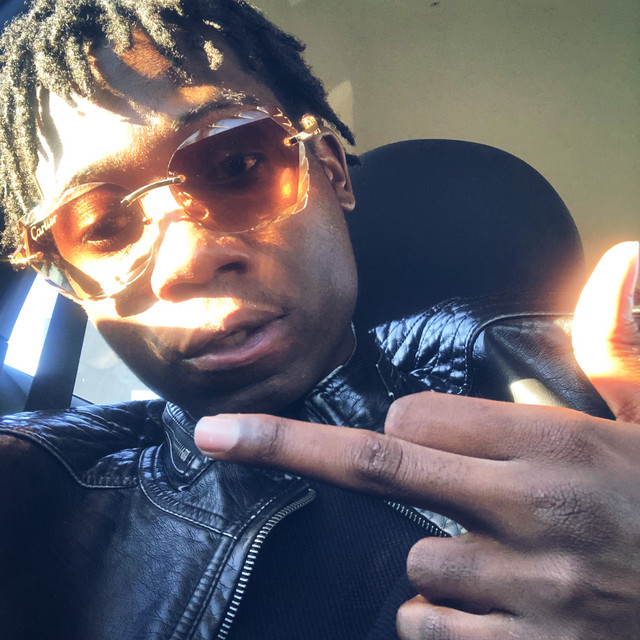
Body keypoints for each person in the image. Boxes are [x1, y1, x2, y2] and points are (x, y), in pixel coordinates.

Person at [0, 1, 638, 638]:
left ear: (331, 173)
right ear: (70, 285)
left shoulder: (557, 370)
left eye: (235, 164)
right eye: (103, 228)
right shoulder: (43, 493)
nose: (188, 259)